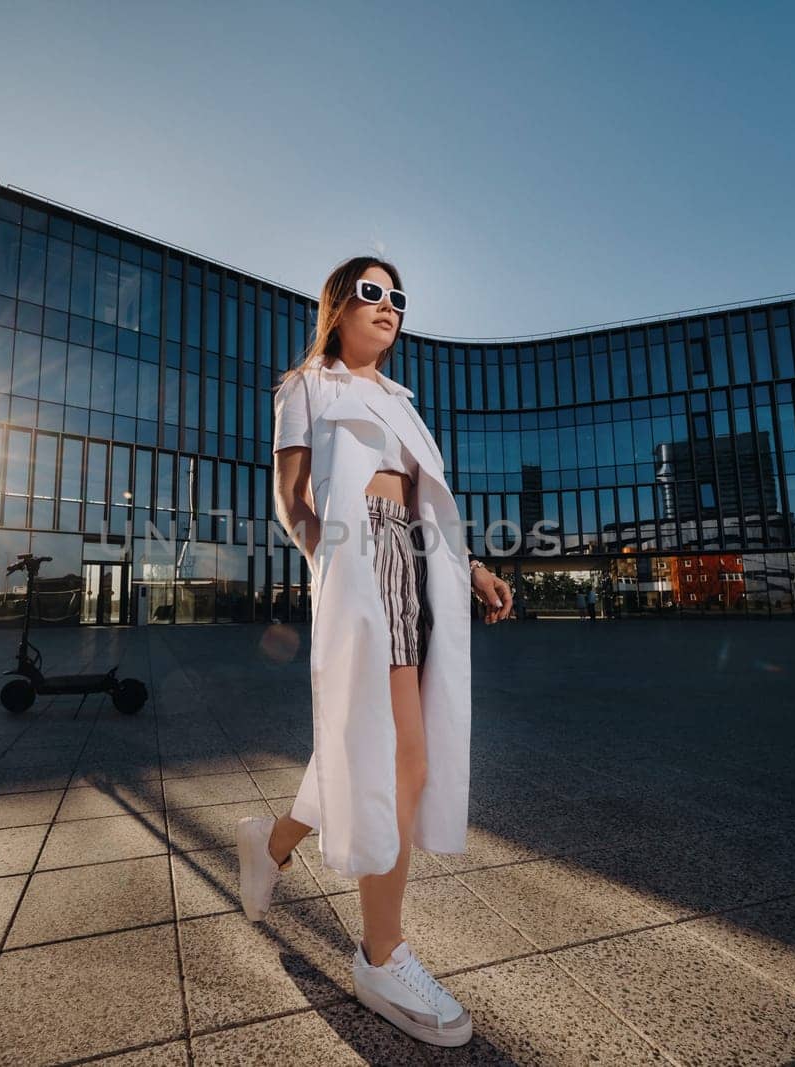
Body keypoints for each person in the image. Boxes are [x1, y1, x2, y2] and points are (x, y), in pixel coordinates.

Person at [235, 257, 512, 1048]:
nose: (389, 307)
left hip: (421, 557)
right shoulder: (306, 386)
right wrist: (336, 559)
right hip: (362, 556)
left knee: (371, 748)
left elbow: (427, 505)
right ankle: (379, 954)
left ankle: (273, 840)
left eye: (398, 298)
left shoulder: (399, 400)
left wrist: (474, 569)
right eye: (372, 293)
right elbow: (291, 503)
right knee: (403, 757)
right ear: (338, 305)